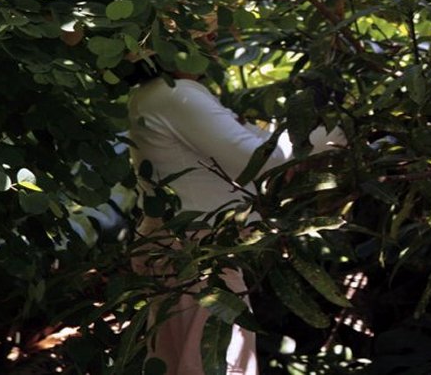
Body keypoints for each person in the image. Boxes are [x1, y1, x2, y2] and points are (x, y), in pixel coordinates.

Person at [127, 25, 346, 374]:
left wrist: (308, 117)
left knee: (181, 360)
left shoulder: (157, 93)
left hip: (183, 247)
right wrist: (334, 129)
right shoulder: (175, 94)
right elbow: (254, 160)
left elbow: (249, 141)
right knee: (217, 363)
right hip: (198, 252)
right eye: (199, 34)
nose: (211, 40)